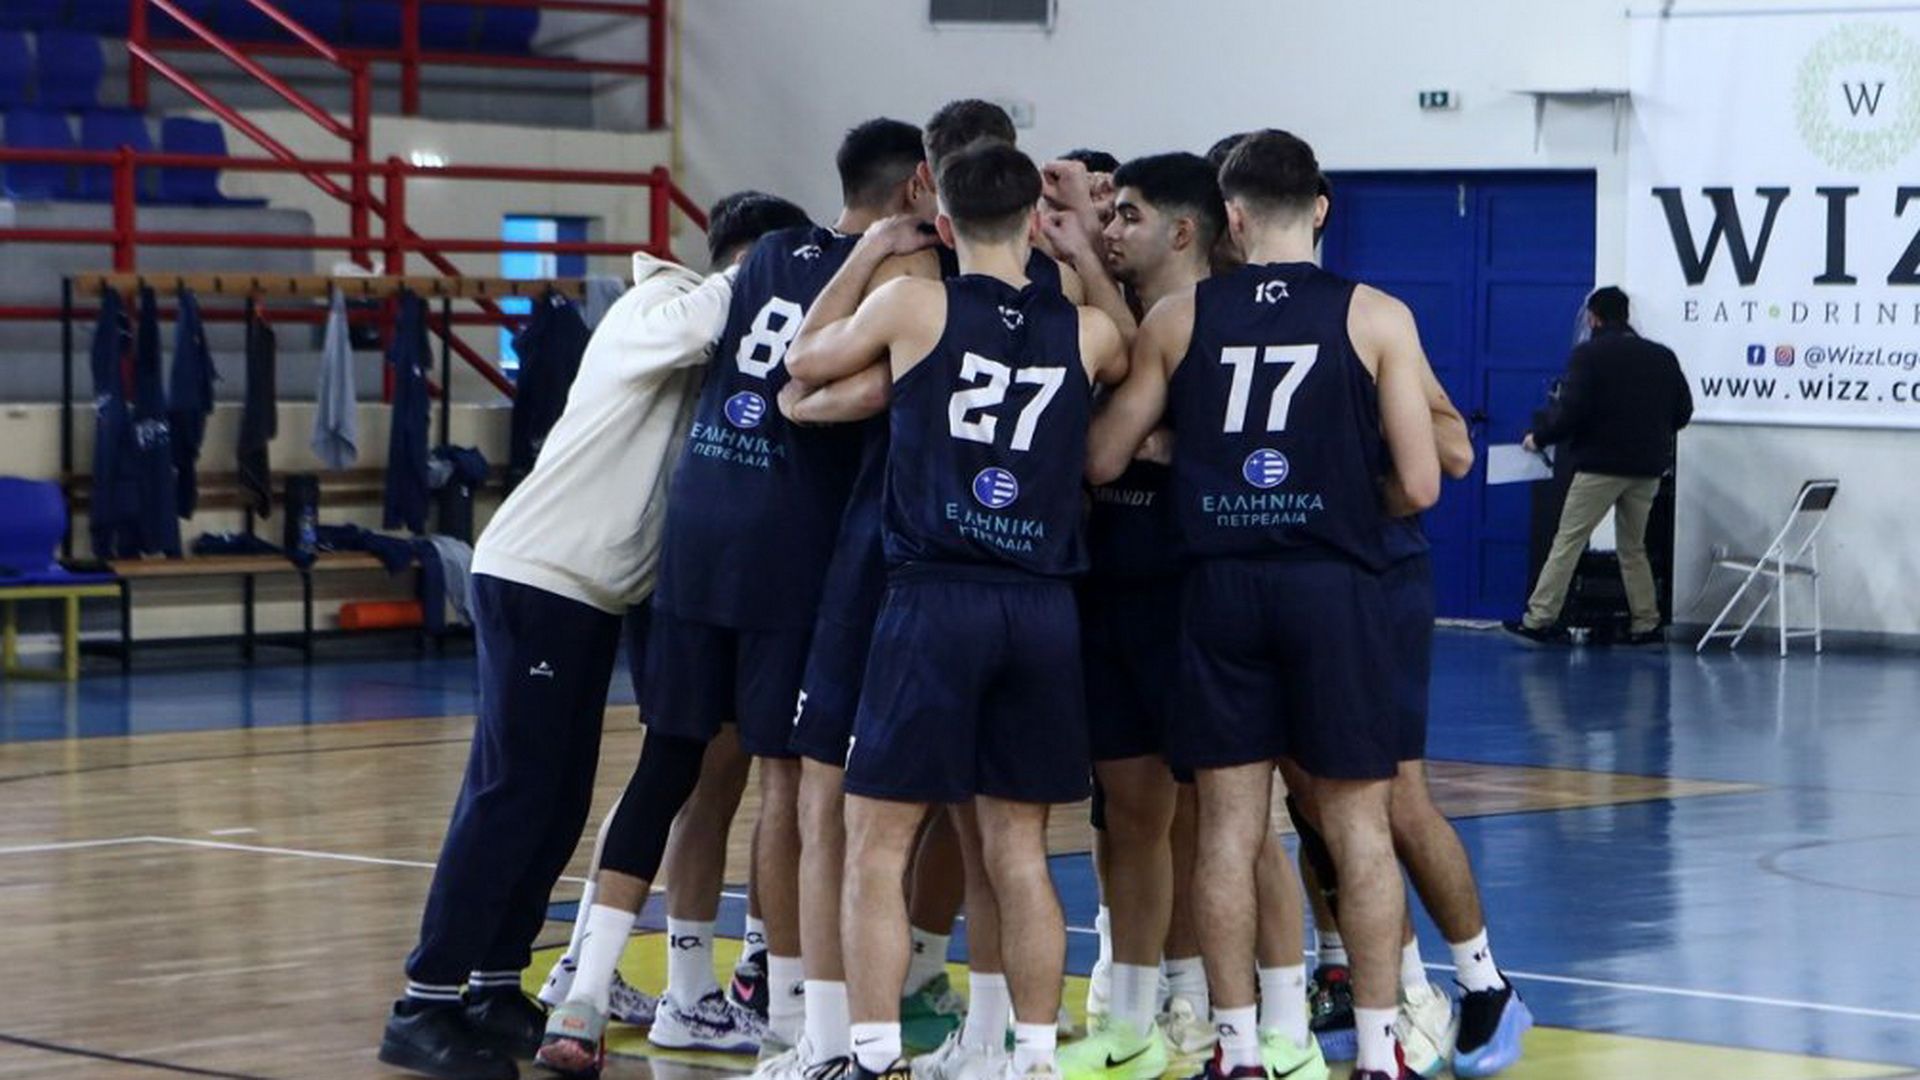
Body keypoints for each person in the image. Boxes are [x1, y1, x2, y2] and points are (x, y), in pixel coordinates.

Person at [533, 120, 936, 1078]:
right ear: (918, 187)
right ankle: (789, 1011)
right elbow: (853, 388)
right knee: (791, 785)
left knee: (673, 765)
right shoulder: (900, 276)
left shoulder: (765, 256)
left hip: (696, 532)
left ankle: (591, 990)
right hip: (787, 552)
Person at [377, 190, 809, 1080]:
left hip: (591, 594)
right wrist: (777, 271)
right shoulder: (657, 303)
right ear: (747, 259)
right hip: (541, 575)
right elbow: (705, 319)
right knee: (511, 793)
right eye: (779, 263)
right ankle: (423, 1001)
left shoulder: (716, 342)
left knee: (559, 799)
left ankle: (495, 984)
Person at [1087, 129, 1440, 1080]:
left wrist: (1191, 456)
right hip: (1333, 587)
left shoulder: (1179, 319)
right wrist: (1331, 496)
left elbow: (1103, 458)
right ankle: (1380, 1052)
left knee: (1229, 830)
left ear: (1231, 218)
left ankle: (1237, 1050)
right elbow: (1422, 481)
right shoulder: (1377, 316)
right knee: (1357, 827)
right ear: (1319, 208)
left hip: (1222, 589)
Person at [787, 139, 1126, 1080]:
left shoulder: (914, 305)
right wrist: (1079, 252)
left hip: (936, 597)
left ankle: (872, 1057)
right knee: (1020, 850)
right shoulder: (1087, 333)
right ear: (1032, 224)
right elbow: (1133, 346)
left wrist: (867, 257)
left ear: (941, 225)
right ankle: (1034, 1059)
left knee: (875, 843)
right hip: (1044, 605)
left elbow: (803, 357)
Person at [1054, 151, 1225, 1080]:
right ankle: (1129, 1004)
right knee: (1125, 811)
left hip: (1190, 590)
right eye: (1108, 214)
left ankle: (1207, 998)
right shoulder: (1101, 319)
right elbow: (1102, 448)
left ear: (1184, 231)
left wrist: (1168, 443)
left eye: (1127, 216)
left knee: (1210, 814)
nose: (1111, 230)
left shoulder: (1215, 321)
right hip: (1105, 582)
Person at [1506, 286, 1692, 646]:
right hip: (1647, 469)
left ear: (1593, 318)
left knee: (1568, 542)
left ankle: (1539, 619)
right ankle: (1646, 623)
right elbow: (1683, 412)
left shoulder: (1588, 356)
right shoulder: (1662, 356)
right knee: (1633, 548)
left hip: (1599, 468)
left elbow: (1570, 412)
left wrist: (1538, 438)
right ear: (1626, 314)